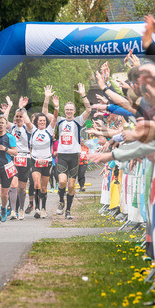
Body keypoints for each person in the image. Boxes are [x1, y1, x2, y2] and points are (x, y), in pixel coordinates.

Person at [53, 83, 92, 219]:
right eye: (67, 109)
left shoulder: (78, 121)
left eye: (71, 109)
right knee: (62, 182)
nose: (69, 111)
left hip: (74, 156)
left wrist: (83, 94)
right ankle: (61, 202)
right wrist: (48, 100)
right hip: (62, 156)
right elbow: (46, 114)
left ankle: (68, 211)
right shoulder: (59, 121)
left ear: (74, 111)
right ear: (64, 111)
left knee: (71, 186)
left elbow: (88, 109)